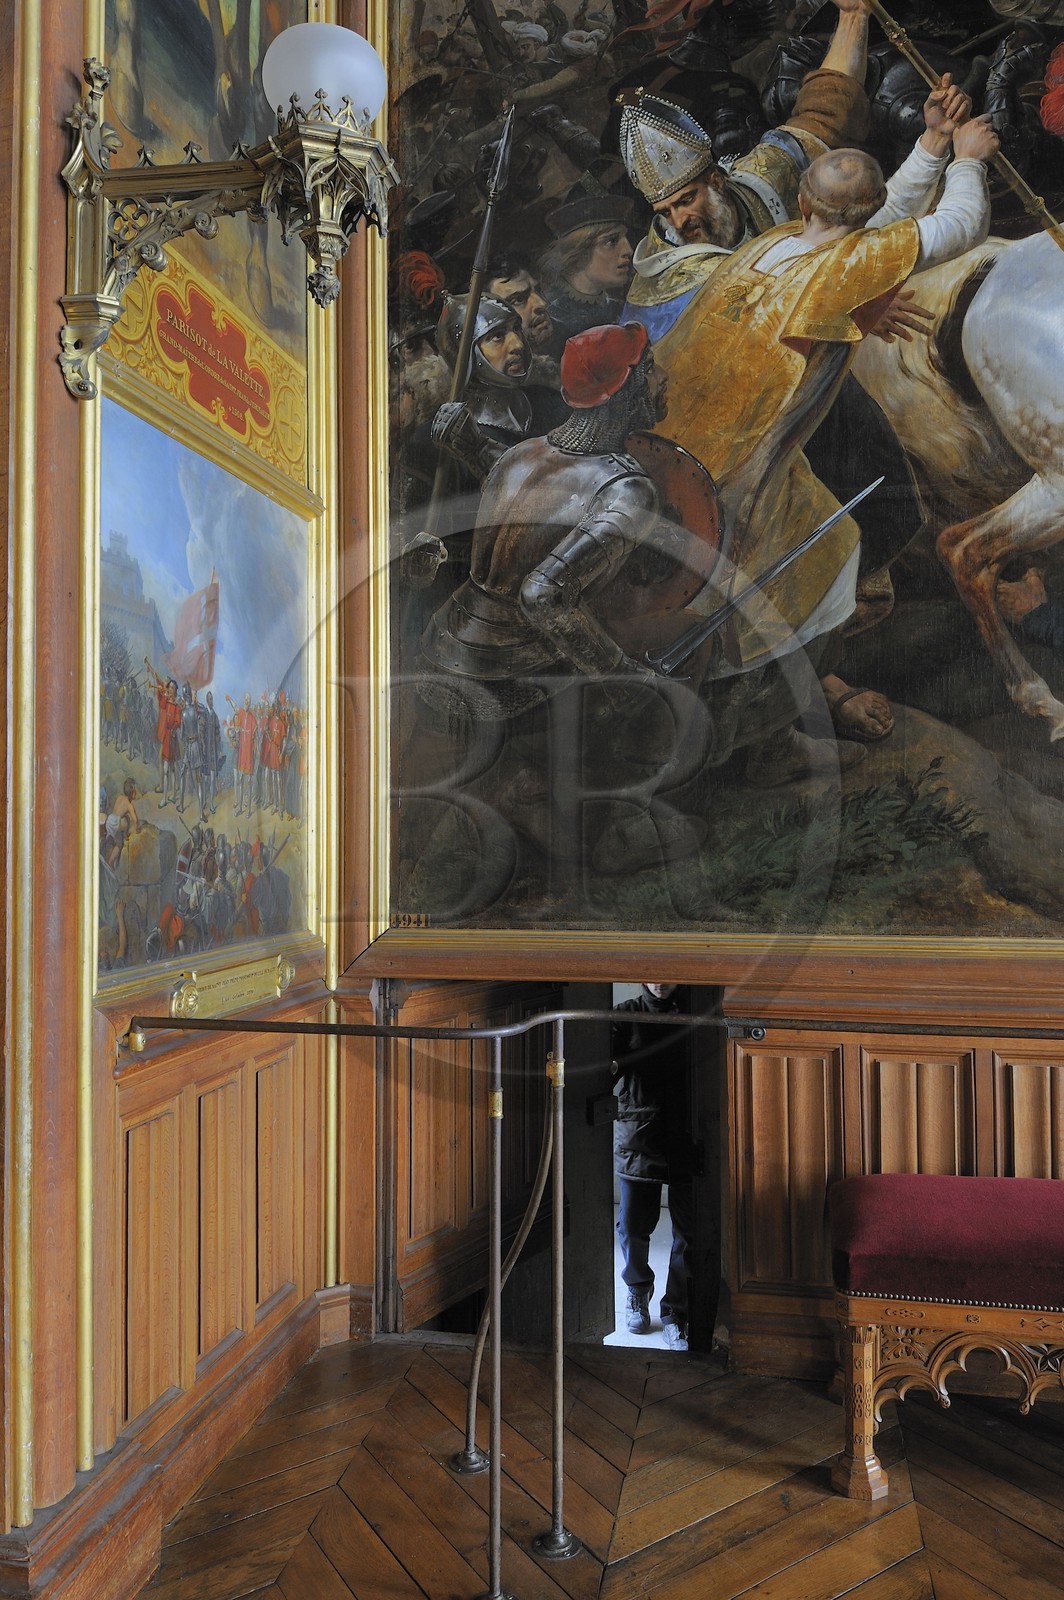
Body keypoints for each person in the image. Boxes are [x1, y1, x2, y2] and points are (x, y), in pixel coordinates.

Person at [647, 118, 998, 782]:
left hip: (669, 449)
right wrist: (969, 161)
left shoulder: (769, 245)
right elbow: (954, 229)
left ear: (803, 205)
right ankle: (765, 747)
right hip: (746, 470)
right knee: (826, 581)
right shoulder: (847, 263)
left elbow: (873, 232)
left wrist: (928, 144)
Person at [612, 983, 699, 1352]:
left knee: (690, 1231)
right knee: (632, 1225)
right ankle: (636, 1290)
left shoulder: (697, 1010)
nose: (661, 979)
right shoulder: (623, 1014)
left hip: (688, 1130)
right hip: (638, 1131)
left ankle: (677, 1312)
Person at [537, 195, 635, 340]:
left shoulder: (618, 308)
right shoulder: (552, 319)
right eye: (612, 241)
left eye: (624, 237)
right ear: (578, 253)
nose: (628, 250)